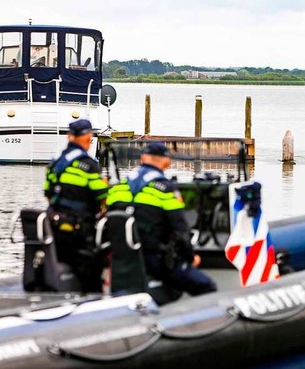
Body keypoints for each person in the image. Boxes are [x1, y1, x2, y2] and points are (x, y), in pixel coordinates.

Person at [106, 143, 216, 297]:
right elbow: (180, 230)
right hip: (156, 261)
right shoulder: (165, 189)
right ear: (166, 162)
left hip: (124, 261)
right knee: (206, 286)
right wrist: (190, 258)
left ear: (143, 158)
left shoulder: (118, 188)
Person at [44, 119, 108, 292]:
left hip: (53, 225)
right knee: (93, 266)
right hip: (78, 230)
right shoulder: (88, 165)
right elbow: (103, 198)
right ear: (87, 138)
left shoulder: (55, 162)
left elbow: (48, 193)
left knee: (60, 259)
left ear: (69, 137)